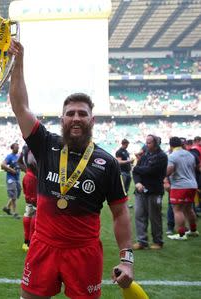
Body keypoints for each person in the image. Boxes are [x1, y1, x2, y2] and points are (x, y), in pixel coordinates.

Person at [9, 40, 133, 299]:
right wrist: (17, 63)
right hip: (43, 246)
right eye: (70, 113)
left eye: (82, 113)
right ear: (62, 118)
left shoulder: (106, 162)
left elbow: (120, 213)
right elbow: (20, 107)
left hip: (83, 252)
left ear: (92, 119)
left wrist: (127, 260)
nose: (76, 118)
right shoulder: (46, 144)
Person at [132, 134, 168, 250]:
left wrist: (136, 169)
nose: (146, 145)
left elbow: (150, 171)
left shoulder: (162, 156)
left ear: (156, 143)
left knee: (155, 217)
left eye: (149, 142)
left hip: (154, 191)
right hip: (140, 191)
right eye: (146, 142)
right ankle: (142, 241)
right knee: (139, 215)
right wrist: (137, 183)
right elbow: (136, 172)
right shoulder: (145, 156)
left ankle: (158, 241)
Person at [166, 137, 199, 240]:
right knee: (189, 209)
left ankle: (181, 234)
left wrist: (164, 175)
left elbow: (169, 171)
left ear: (171, 145)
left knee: (177, 210)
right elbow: (194, 168)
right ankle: (193, 230)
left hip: (179, 186)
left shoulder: (172, 156)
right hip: (192, 185)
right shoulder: (190, 154)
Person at [18, 144, 38, 252]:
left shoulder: (26, 147)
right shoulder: (36, 146)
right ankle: (30, 242)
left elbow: (19, 162)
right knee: (36, 210)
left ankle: (26, 242)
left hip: (29, 178)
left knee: (29, 209)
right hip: (35, 179)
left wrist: (27, 172)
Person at [1, 142, 22, 219]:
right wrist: (11, 170)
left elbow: (20, 165)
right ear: (12, 148)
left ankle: (7, 208)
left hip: (17, 178)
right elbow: (2, 165)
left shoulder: (18, 156)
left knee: (17, 193)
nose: (18, 148)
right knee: (13, 195)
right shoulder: (9, 156)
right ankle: (15, 213)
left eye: (18, 147)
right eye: (16, 147)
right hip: (11, 179)